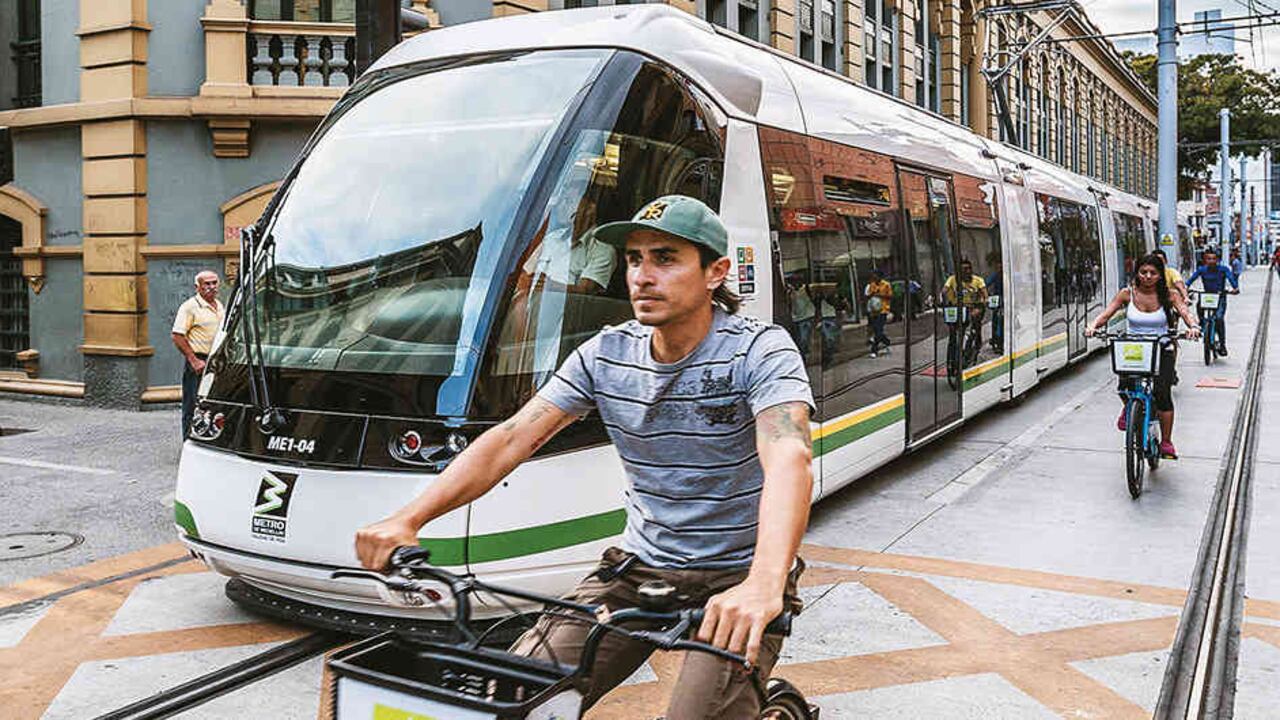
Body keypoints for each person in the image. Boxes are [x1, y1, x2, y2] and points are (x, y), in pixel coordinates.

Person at [355, 195, 815, 718]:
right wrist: (408, 518)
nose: (642, 275)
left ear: (716, 272)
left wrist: (764, 582)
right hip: (637, 572)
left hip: (737, 575)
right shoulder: (605, 353)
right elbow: (511, 438)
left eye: (665, 258)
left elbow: (788, 458)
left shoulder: (758, 350)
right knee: (512, 696)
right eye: (634, 259)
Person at [1087, 254, 1199, 459]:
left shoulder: (1170, 295)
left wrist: (1192, 326)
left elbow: (1185, 312)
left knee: (1162, 393)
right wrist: (1093, 326)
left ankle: (1166, 442)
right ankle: (1130, 409)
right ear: (1137, 273)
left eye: (1153, 273)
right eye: (1143, 272)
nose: (1148, 276)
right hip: (1134, 350)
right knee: (1123, 388)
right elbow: (1106, 314)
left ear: (1160, 275)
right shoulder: (1126, 294)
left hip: (1161, 349)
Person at [171, 270, 225, 438]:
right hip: (199, 361)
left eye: (214, 283)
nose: (211, 287)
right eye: (207, 284)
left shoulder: (219, 305)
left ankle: (210, 438)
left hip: (217, 361)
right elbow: (177, 335)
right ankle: (188, 440)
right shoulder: (190, 307)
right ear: (197, 287)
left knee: (214, 403)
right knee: (193, 403)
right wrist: (193, 360)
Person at [1185, 246, 1239, 356]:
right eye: (1209, 259)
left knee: (1219, 318)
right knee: (1199, 306)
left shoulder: (1224, 269)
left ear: (1217, 260)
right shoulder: (1202, 270)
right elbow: (1191, 279)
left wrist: (1235, 288)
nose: (1211, 261)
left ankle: (1222, 345)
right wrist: (1186, 287)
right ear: (1205, 260)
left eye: (1213, 259)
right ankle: (1202, 323)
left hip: (1220, 296)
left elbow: (1231, 280)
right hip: (1207, 296)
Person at [864, 268, 893, 357]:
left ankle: (874, 350)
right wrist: (871, 294)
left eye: (875, 275)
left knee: (878, 330)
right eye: (873, 275)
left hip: (883, 310)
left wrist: (880, 295)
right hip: (874, 310)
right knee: (877, 330)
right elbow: (868, 295)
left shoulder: (886, 284)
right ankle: (886, 341)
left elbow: (890, 296)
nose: (874, 277)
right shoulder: (872, 285)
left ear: (879, 276)